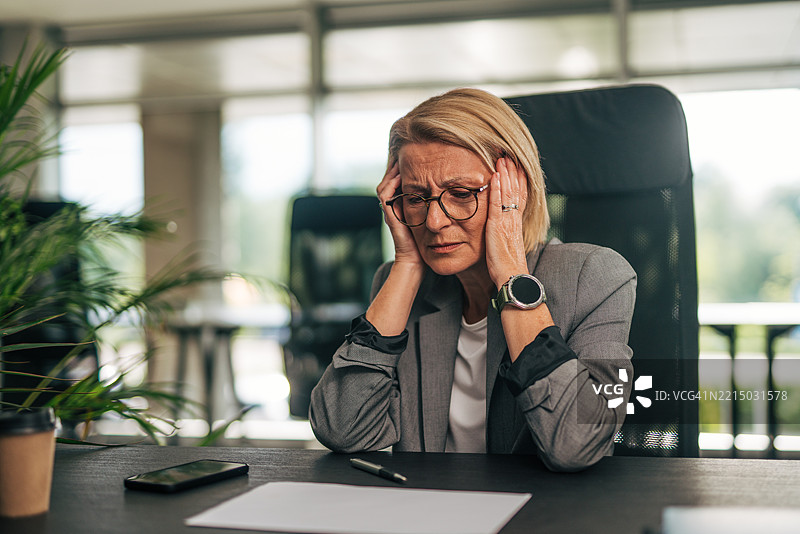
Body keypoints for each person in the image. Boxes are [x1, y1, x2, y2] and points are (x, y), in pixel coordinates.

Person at [309, 87, 636, 472]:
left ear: (515, 192)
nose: (434, 222)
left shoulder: (594, 277)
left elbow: (575, 445)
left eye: (461, 194)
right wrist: (407, 264)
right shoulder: (399, 286)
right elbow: (343, 430)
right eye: (415, 198)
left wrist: (512, 275)